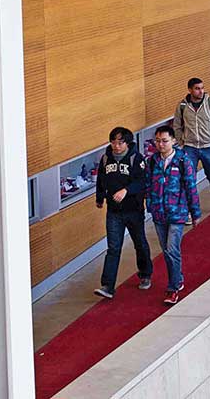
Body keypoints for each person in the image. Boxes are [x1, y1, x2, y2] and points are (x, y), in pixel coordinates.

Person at [145, 125, 202, 305]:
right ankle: (178, 278)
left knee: (172, 249)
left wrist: (195, 213)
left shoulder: (183, 160)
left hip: (177, 213)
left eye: (164, 141)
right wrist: (149, 204)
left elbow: (191, 187)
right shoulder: (152, 161)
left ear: (173, 141)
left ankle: (173, 287)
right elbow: (148, 185)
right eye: (157, 141)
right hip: (159, 213)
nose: (160, 144)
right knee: (166, 251)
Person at [93, 127, 153, 299]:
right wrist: (100, 198)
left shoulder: (136, 159)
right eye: (113, 142)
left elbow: (142, 181)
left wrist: (126, 190)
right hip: (113, 212)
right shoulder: (105, 159)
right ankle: (107, 285)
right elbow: (101, 180)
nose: (116, 146)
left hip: (133, 210)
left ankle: (145, 273)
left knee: (139, 243)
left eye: (120, 143)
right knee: (113, 248)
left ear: (127, 143)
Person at [173, 77, 210, 213]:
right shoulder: (182, 106)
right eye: (197, 89)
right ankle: (190, 210)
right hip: (189, 147)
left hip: (208, 146)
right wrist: (181, 143)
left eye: (202, 88)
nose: (201, 91)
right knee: (188, 179)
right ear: (190, 90)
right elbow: (177, 125)